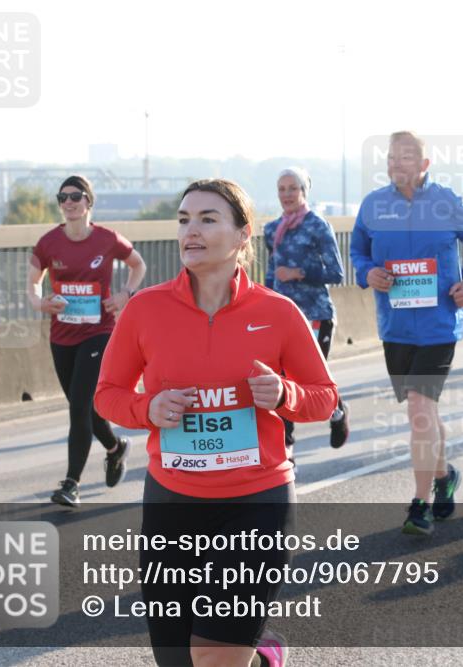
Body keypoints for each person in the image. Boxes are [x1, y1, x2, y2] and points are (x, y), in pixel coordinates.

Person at [95, 178, 337, 666]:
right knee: (176, 661)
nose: (192, 231)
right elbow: (107, 396)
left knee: (212, 659)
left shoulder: (277, 312)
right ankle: (263, 655)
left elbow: (325, 399)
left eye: (208, 219)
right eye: (184, 220)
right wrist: (148, 410)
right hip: (172, 504)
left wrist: (285, 393)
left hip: (256, 504)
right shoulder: (145, 310)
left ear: (243, 235)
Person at [350, 130, 463, 535]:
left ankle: (419, 504)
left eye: (405, 158)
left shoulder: (448, 202)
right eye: (391, 158)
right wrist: (366, 272)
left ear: (425, 165)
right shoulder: (373, 206)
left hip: (439, 324)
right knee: (425, 413)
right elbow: (357, 250)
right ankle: (445, 476)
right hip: (395, 325)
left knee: (418, 409)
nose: (396, 165)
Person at [27, 175, 146, 507]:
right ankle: (115, 448)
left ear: (88, 202)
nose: (68, 202)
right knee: (88, 409)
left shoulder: (108, 240)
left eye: (75, 196)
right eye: (62, 197)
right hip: (62, 334)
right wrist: (40, 302)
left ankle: (71, 484)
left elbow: (138, 265)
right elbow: (34, 283)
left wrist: (125, 294)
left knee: (79, 407)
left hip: (99, 332)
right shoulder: (48, 243)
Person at [264, 167, 349, 456]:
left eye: (292, 188)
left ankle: (337, 412)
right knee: (283, 382)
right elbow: (270, 272)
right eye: (281, 189)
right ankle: (287, 452)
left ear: (304, 192)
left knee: (308, 380)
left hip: (315, 314)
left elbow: (336, 273)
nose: (286, 194)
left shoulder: (317, 226)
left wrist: (299, 272)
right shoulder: (271, 229)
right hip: (280, 320)